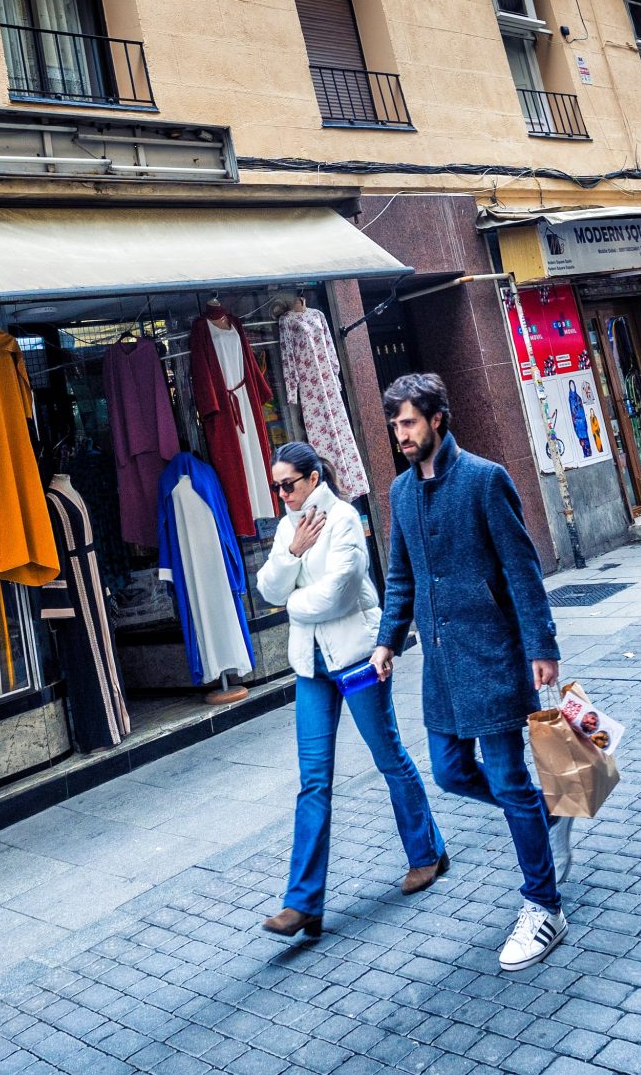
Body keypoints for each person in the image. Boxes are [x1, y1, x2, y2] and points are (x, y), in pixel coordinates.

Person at [369, 374, 567, 973]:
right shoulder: (401, 494)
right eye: (395, 424)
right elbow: (401, 577)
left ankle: (543, 907)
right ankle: (541, 812)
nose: (400, 434)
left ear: (436, 419)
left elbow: (521, 568)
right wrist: (387, 642)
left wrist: (542, 644)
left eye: (408, 422)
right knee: (451, 773)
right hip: (440, 667)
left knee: (506, 780)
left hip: (494, 657)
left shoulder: (485, 480)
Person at [257, 443, 443, 941]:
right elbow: (268, 590)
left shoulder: (344, 520)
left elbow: (339, 590)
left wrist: (292, 600)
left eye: (288, 485)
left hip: (358, 658)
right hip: (311, 667)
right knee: (312, 780)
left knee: (389, 756)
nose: (282, 495)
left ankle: (427, 853)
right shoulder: (287, 527)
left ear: (314, 477)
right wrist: (292, 553)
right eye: (276, 487)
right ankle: (302, 903)